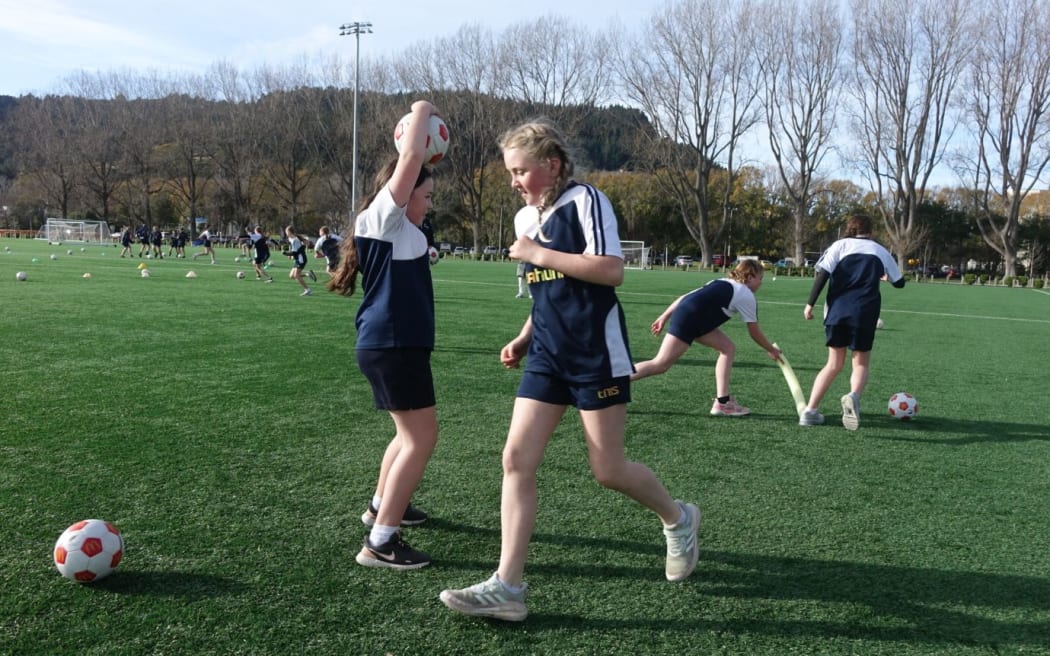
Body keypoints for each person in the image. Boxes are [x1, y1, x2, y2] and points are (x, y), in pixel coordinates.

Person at [439, 119, 700, 622]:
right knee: (515, 458)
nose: (513, 179)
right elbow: (546, 291)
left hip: (593, 352)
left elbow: (610, 269)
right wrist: (524, 335)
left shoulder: (586, 200)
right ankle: (508, 586)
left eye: (521, 170)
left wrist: (539, 253)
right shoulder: (522, 219)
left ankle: (678, 516)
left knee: (608, 470)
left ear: (551, 165)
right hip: (548, 355)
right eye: (510, 171)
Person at [328, 99, 439, 570]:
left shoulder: (404, 231)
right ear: (404, 191)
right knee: (421, 438)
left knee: (405, 435)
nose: (430, 202)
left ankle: (381, 506)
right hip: (393, 345)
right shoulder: (385, 217)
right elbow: (410, 158)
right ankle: (381, 541)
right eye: (426, 194)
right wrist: (422, 109)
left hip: (393, 344)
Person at [631, 259, 782, 417]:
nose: (761, 283)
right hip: (691, 319)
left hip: (692, 316)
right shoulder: (746, 294)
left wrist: (664, 316)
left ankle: (722, 402)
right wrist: (771, 350)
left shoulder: (722, 281)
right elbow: (754, 332)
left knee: (727, 348)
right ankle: (612, 381)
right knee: (660, 364)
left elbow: (684, 297)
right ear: (750, 277)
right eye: (760, 278)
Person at [799, 213, 905, 430]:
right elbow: (900, 283)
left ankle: (810, 411)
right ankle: (854, 396)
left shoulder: (839, 246)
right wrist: (884, 277)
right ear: (871, 231)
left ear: (849, 229)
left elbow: (822, 274)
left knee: (833, 364)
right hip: (865, 313)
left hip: (837, 312)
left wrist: (810, 304)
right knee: (860, 362)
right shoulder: (880, 250)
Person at [283, 226, 314, 295]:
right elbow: (294, 249)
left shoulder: (295, 240)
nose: (286, 233)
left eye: (286, 232)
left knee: (297, 275)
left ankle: (308, 290)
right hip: (298, 259)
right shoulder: (291, 239)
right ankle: (308, 274)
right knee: (291, 276)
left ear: (290, 232)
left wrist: (286, 254)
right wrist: (290, 255)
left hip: (301, 259)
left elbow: (295, 252)